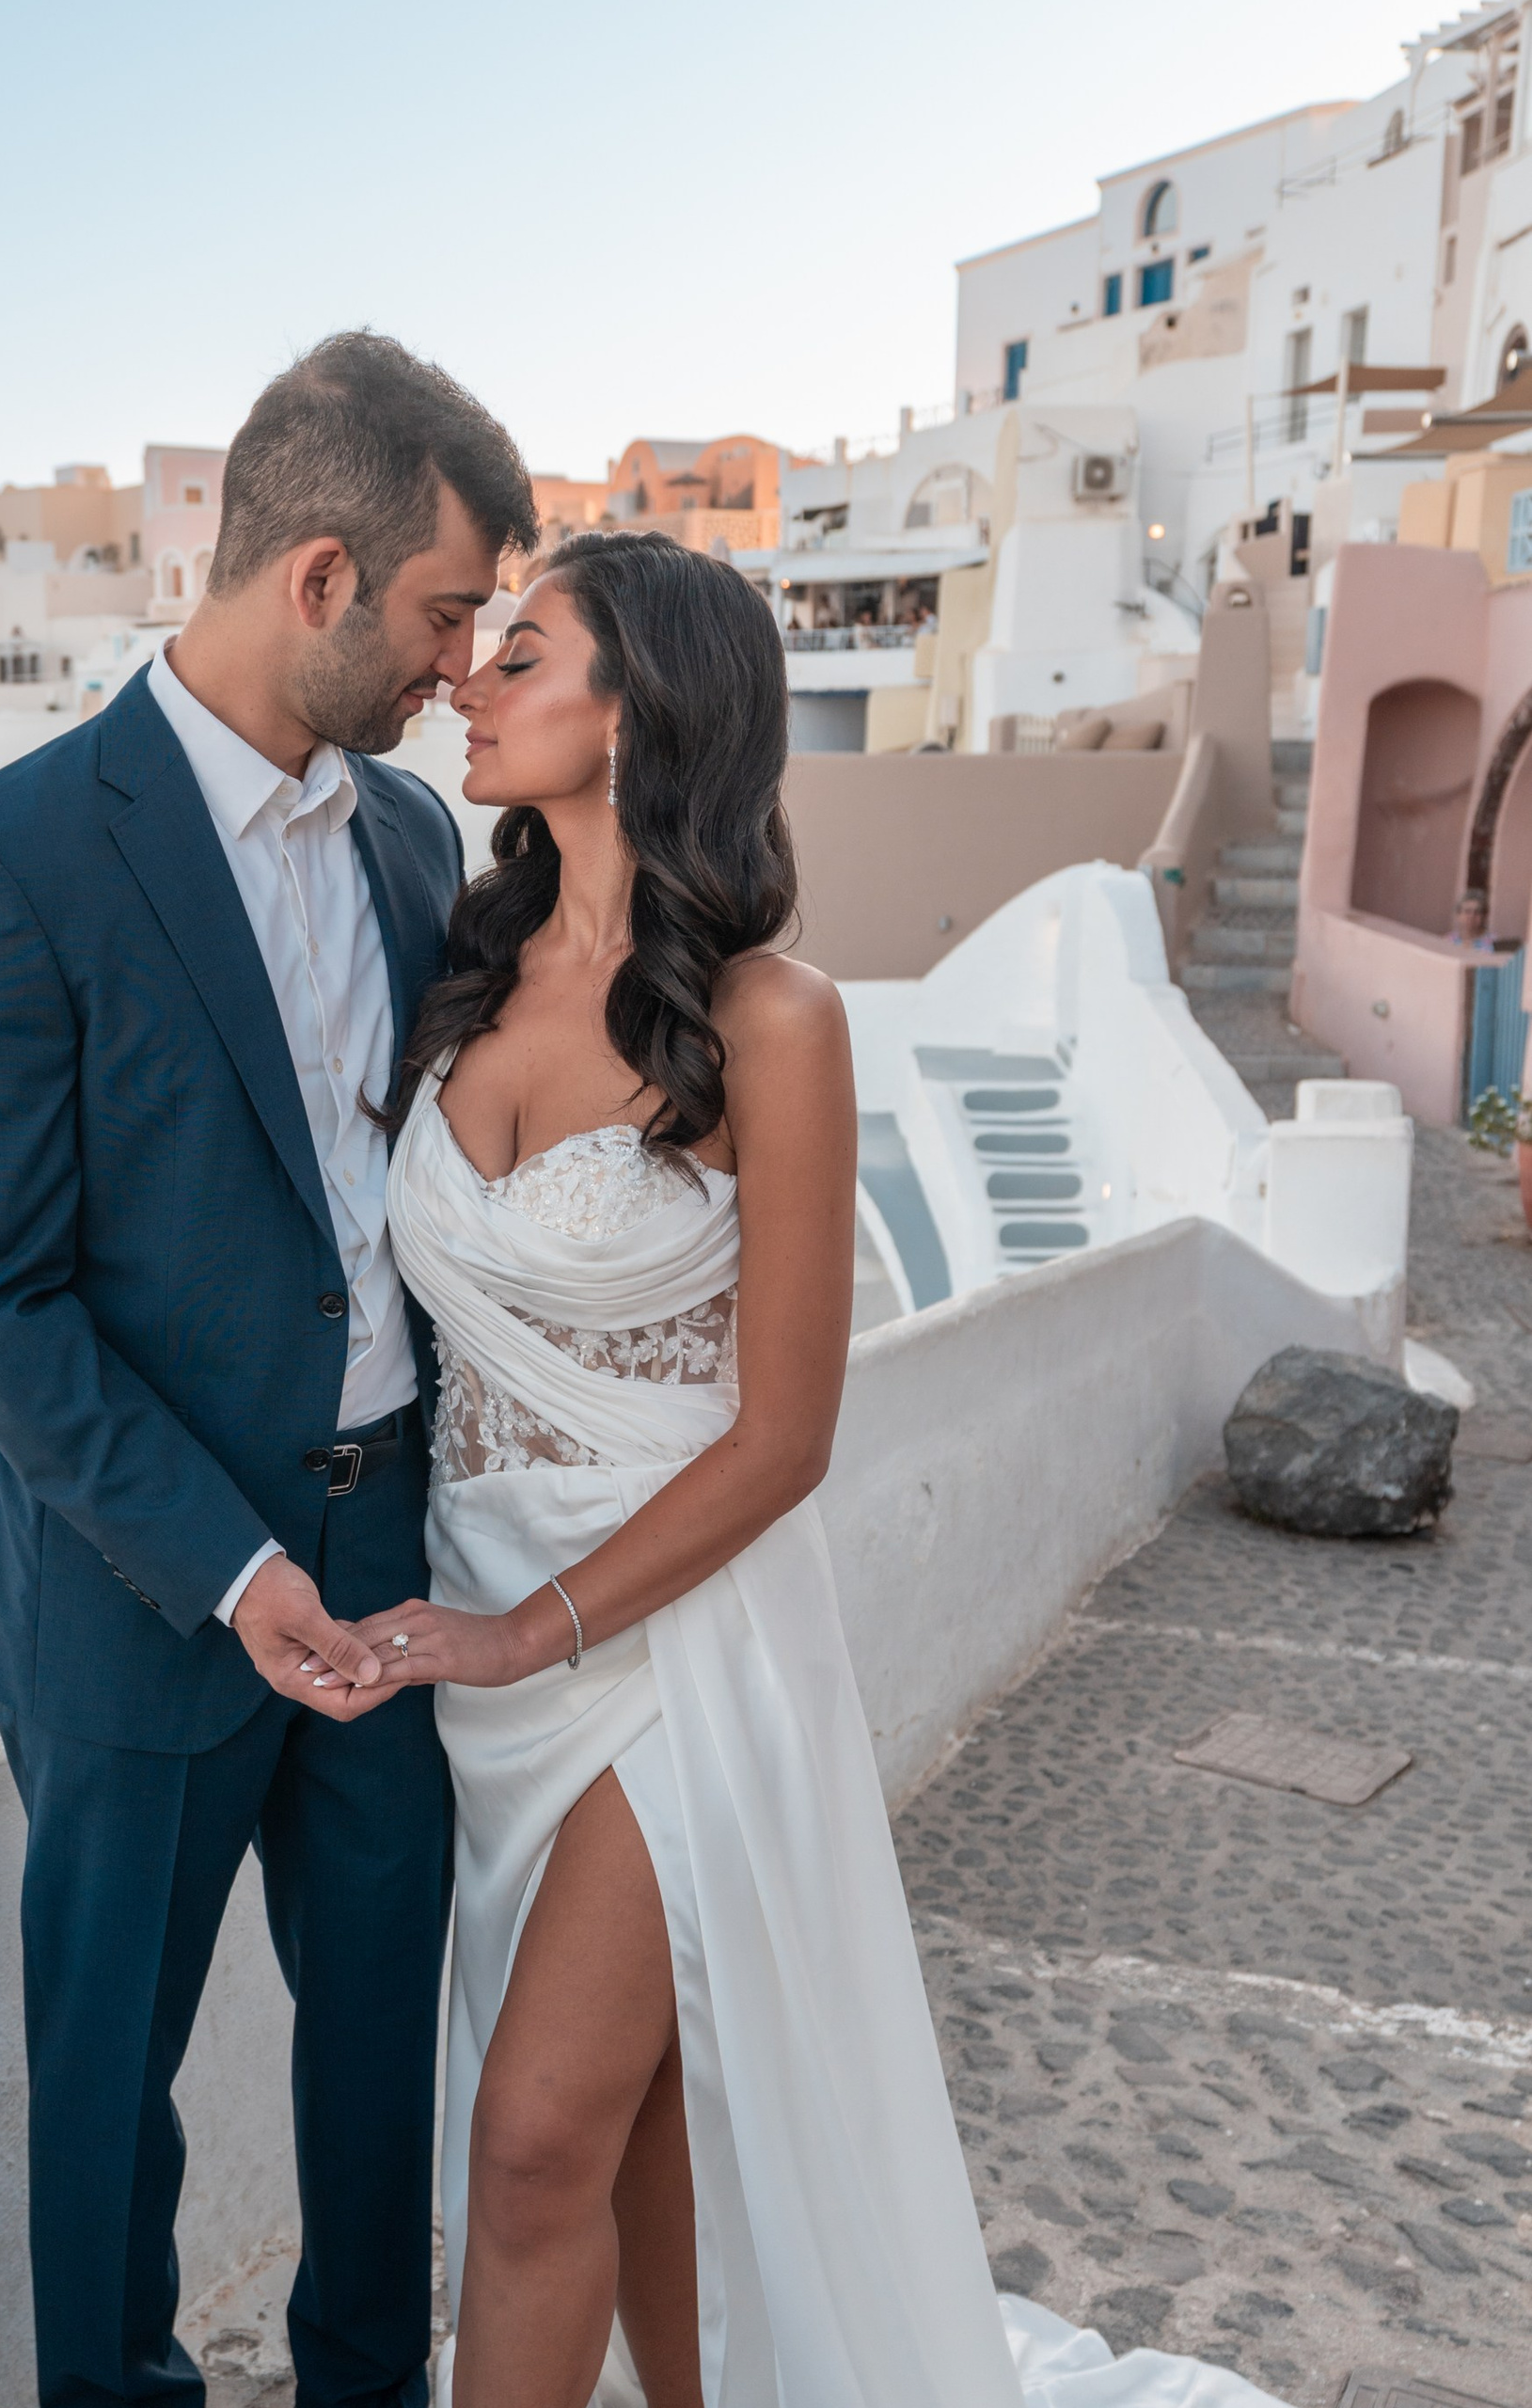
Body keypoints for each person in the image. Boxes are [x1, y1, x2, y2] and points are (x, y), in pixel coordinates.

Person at [354, 530, 1287, 2408]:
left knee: (531, 2134)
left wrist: (528, 1633)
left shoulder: (770, 1018)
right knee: (642, 2131)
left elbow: (783, 1434)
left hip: (662, 1641)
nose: (467, 675)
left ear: (639, 713)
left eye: (520, 653)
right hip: (465, 1614)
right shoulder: (452, 963)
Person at [0, 332, 540, 2408]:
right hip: (134, 1594)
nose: (463, 665)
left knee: (373, 2077)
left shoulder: (412, 844)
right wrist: (233, 1568)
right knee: (110, 2107)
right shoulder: (5, 859)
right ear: (324, 578)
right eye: (447, 613)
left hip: (394, 1571)